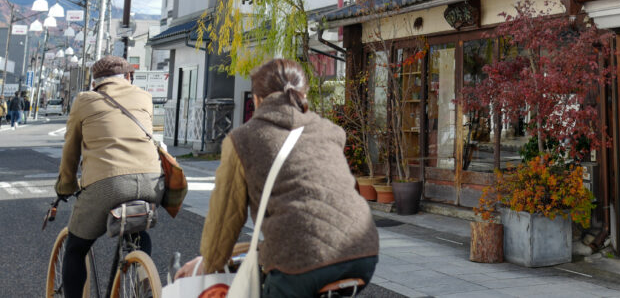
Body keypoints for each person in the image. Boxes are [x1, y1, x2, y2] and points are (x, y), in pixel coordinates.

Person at [178, 58, 379, 297]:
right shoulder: (330, 131)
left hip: (299, 263)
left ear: (257, 99)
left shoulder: (243, 140)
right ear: (303, 94)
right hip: (363, 252)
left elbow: (225, 220)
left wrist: (207, 265)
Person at [54, 55, 164, 298]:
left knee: (75, 248)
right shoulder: (144, 97)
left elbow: (70, 150)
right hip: (152, 180)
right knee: (138, 232)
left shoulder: (84, 100)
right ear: (128, 77)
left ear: (96, 82)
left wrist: (65, 186)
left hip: (108, 183)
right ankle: (141, 278)